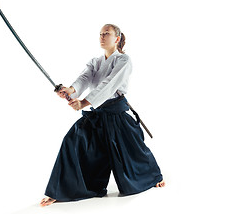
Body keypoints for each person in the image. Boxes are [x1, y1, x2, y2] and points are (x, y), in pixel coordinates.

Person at [40, 24, 165, 207]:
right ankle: (62, 190)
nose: (102, 36)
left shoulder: (123, 60)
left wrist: (84, 102)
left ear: (117, 38)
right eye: (100, 34)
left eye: (106, 33)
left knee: (131, 151)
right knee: (73, 141)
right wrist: (71, 90)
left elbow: (109, 84)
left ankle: (152, 177)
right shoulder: (95, 62)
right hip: (98, 114)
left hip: (117, 114)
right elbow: (84, 79)